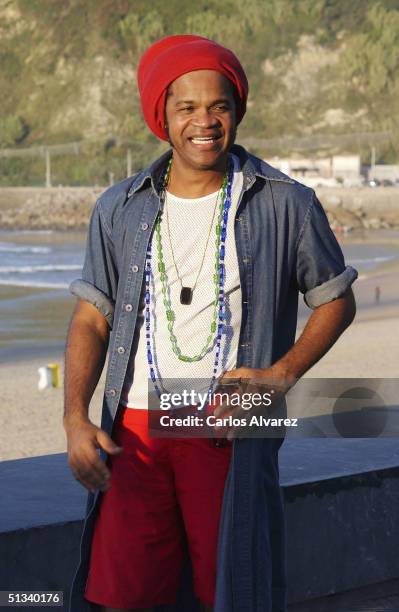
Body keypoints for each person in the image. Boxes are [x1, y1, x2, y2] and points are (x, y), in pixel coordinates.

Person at [64, 35, 358, 612]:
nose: (205, 121)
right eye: (187, 108)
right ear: (162, 117)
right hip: (135, 426)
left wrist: (280, 376)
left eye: (219, 106)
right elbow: (91, 317)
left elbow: (336, 300)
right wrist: (75, 417)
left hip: (231, 418)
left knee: (230, 588)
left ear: (236, 111)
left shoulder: (285, 202)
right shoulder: (119, 206)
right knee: (122, 595)